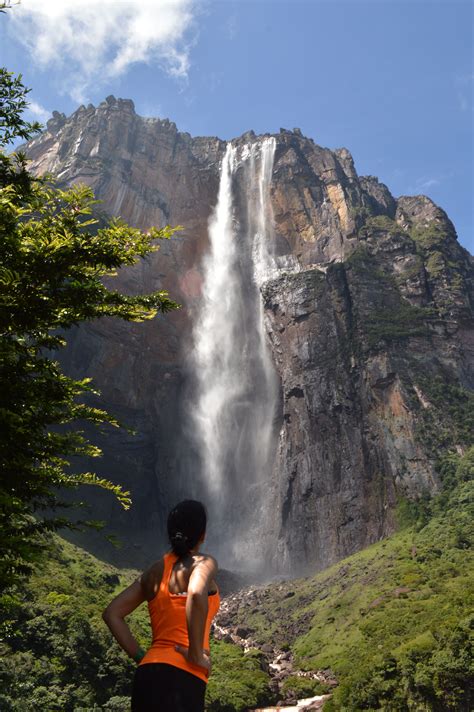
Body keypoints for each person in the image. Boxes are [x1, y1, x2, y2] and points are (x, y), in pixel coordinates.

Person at [102, 499, 220, 712]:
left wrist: (140, 656)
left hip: (147, 674)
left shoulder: (152, 573)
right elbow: (195, 592)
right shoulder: (203, 563)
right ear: (202, 534)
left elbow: (112, 613)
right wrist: (195, 654)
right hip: (184, 675)